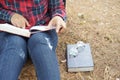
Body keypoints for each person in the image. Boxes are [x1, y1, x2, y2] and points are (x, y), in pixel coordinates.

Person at [0, 0, 66, 80]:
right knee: (14, 46)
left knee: (40, 43)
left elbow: (57, 7)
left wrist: (58, 17)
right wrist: (10, 16)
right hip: (11, 31)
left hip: (42, 29)